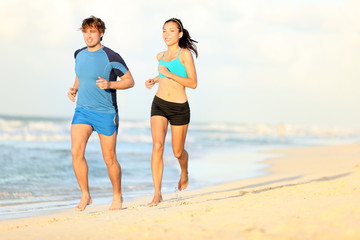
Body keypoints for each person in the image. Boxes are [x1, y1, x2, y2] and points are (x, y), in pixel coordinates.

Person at [67, 16, 134, 211]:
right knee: (76, 152)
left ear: (101, 33)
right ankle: (85, 195)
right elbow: (80, 74)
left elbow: (129, 81)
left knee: (109, 158)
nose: (89, 35)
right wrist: (74, 88)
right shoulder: (78, 54)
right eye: (86, 32)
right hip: (82, 111)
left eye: (93, 31)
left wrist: (111, 84)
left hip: (106, 113)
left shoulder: (111, 56)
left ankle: (117, 196)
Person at [145, 18, 198, 206]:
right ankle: (157, 193)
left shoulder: (185, 54)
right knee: (157, 145)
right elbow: (164, 75)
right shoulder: (160, 55)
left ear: (180, 34)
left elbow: (192, 83)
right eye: (164, 31)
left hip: (179, 108)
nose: (167, 34)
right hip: (159, 104)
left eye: (171, 31)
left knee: (177, 152)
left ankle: (184, 171)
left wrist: (167, 74)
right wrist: (154, 80)